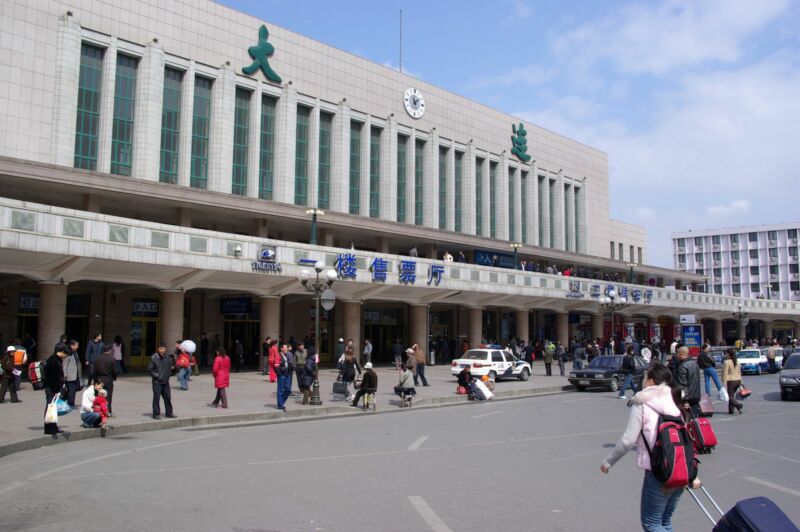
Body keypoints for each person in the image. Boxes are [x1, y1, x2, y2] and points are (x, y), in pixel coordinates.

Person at [600, 363, 700, 531]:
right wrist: (692, 474)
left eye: (645, 377)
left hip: (659, 471)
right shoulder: (675, 400)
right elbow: (685, 440)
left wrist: (608, 462)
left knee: (652, 524)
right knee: (665, 522)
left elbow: (627, 441)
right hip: (681, 469)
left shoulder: (642, 403)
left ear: (651, 381)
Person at [148, 343, 176, 419]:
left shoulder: (168, 357)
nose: (161, 350)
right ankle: (156, 413)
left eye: (163, 348)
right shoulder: (153, 357)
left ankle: (169, 412)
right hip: (157, 382)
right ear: (158, 349)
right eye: (160, 348)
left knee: (167, 397)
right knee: (156, 398)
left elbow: (171, 368)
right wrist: (157, 376)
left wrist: (173, 370)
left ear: (165, 349)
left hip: (166, 381)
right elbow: (150, 370)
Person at [673, 346, 702, 418]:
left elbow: (683, 384)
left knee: (687, 420)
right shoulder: (694, 363)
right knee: (695, 419)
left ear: (680, 354)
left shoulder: (682, 366)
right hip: (696, 395)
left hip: (688, 397)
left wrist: (684, 400)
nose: (677, 355)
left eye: (677, 353)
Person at [93, 347, 118, 414]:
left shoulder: (98, 359)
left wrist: (95, 381)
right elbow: (115, 371)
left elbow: (94, 372)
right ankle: (108, 411)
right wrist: (114, 378)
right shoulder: (112, 359)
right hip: (108, 380)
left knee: (98, 396)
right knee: (108, 396)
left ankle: (98, 411)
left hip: (99, 379)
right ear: (110, 350)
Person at [722, 348, 743, 415]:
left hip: (731, 381)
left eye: (726, 353)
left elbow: (725, 373)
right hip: (738, 380)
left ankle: (738, 405)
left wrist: (724, 383)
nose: (725, 354)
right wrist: (741, 382)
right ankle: (731, 410)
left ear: (728, 354)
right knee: (732, 395)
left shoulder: (727, 362)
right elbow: (739, 372)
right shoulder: (737, 361)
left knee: (730, 396)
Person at [62, 339, 82, 407]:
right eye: (76, 345)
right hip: (70, 375)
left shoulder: (75, 352)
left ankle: (67, 401)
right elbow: (65, 365)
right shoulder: (68, 353)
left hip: (75, 375)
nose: (77, 347)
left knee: (74, 389)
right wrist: (65, 375)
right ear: (72, 345)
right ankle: (70, 404)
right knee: (71, 390)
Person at [274, 343, 293, 410]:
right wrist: (280, 374)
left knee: (288, 390)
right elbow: (276, 367)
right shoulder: (278, 355)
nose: (285, 349)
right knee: (280, 391)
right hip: (282, 375)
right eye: (284, 348)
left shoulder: (287, 355)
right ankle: (280, 405)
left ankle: (281, 402)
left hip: (287, 374)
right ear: (281, 349)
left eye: (286, 348)